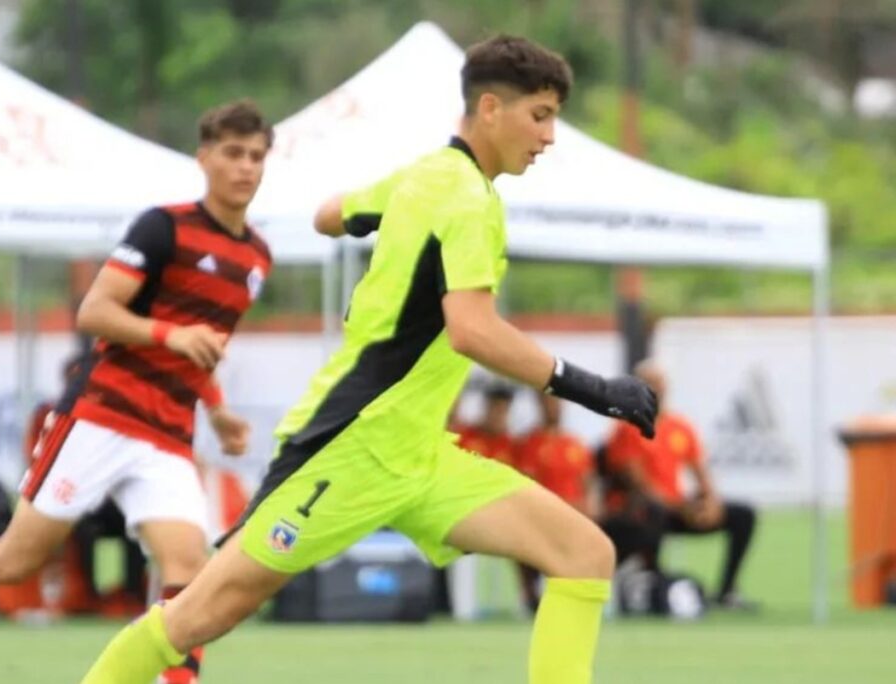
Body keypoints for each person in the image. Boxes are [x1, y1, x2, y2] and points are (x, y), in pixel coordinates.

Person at [78, 35, 656, 684]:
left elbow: (330, 215)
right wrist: (595, 388)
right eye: (540, 116)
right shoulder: (465, 200)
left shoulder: (425, 176)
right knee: (197, 617)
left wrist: (373, 231)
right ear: (490, 109)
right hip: (348, 447)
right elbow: (471, 330)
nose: (550, 137)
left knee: (583, 552)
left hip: (418, 455)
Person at [0, 99, 275, 684]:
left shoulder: (256, 257)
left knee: (190, 568)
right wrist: (168, 332)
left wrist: (217, 413)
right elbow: (96, 311)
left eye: (257, 156)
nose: (246, 168)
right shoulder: (163, 227)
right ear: (205, 158)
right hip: (103, 415)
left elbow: (199, 348)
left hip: (166, 433)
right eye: (234, 154)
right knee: (15, 559)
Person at [605, 359, 758, 610]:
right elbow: (640, 485)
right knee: (652, 514)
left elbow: (701, 472)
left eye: (660, 383)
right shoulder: (626, 429)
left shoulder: (680, 427)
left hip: (678, 509)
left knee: (743, 515)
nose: (657, 389)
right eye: (650, 384)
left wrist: (711, 502)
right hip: (649, 511)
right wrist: (681, 508)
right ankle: (653, 585)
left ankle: (727, 590)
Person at [515, 393, 599, 611]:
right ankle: (532, 597)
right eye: (548, 402)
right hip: (543, 515)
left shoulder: (575, 444)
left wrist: (587, 508)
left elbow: (588, 485)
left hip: (576, 515)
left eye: (557, 403)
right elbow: (527, 486)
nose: (554, 407)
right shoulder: (529, 444)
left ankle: (579, 596)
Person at [457, 382, 518, 466]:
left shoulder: (514, 447)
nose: (497, 416)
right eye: (495, 409)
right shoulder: (463, 436)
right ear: (486, 408)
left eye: (502, 411)